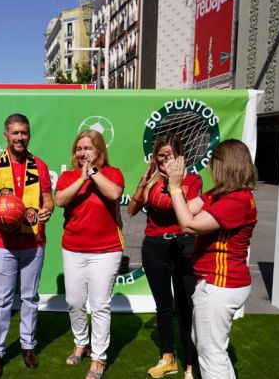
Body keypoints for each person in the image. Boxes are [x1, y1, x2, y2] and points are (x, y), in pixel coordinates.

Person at [164, 139, 257, 379]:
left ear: (224, 165)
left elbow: (188, 224)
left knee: (211, 355)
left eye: (213, 163)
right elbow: (188, 208)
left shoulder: (236, 200)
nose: (210, 168)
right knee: (209, 348)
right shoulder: (222, 194)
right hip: (217, 282)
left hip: (221, 284)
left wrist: (175, 187)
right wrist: (174, 182)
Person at [0, 113, 54, 378]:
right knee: (2, 300)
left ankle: (27, 346)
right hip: (3, 243)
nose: (20, 137)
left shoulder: (40, 166)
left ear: (28, 134)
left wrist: (47, 211)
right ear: (6, 136)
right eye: (15, 133)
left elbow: (49, 200)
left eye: (24, 132)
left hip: (33, 241)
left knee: (30, 298)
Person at [127, 133, 201, 379]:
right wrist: (145, 180)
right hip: (154, 248)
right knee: (163, 307)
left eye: (169, 155)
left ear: (179, 156)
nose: (164, 159)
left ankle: (191, 365)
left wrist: (172, 183)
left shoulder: (193, 180)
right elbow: (132, 210)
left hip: (183, 247)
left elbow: (173, 207)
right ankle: (168, 358)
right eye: (160, 155)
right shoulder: (151, 180)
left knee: (186, 306)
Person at [54, 130, 124, 379]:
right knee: (74, 301)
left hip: (106, 251)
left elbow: (114, 194)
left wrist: (94, 173)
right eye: (79, 148)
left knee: (100, 305)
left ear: (99, 151)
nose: (82, 153)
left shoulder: (113, 173)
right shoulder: (68, 176)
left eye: (88, 148)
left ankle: (99, 357)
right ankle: (81, 342)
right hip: (73, 248)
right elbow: (60, 200)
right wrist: (81, 178)